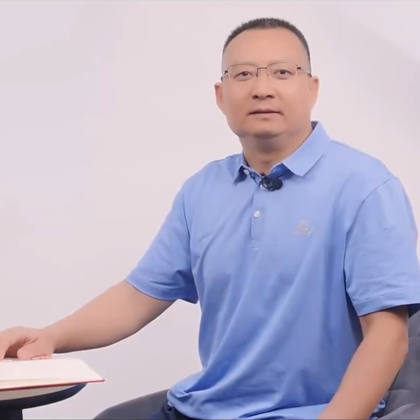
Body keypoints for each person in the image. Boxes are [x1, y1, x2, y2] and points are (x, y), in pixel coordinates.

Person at [1, 17, 420, 420]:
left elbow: (388, 335)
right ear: (221, 95)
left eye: (282, 72)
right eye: (243, 75)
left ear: (312, 88)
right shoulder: (202, 190)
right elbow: (138, 296)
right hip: (207, 405)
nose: (262, 89)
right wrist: (50, 336)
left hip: (309, 412)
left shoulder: (366, 187)